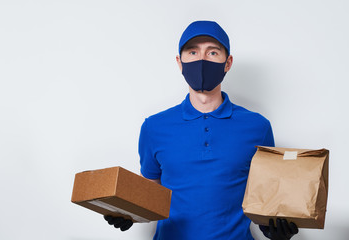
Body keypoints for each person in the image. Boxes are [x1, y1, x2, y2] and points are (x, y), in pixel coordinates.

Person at [104, 20, 299, 240]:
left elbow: (267, 195)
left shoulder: (258, 126)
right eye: (193, 52)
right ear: (180, 62)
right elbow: (150, 189)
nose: (202, 60)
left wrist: (274, 228)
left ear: (228, 62)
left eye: (213, 52)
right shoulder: (154, 127)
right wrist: (129, 213)